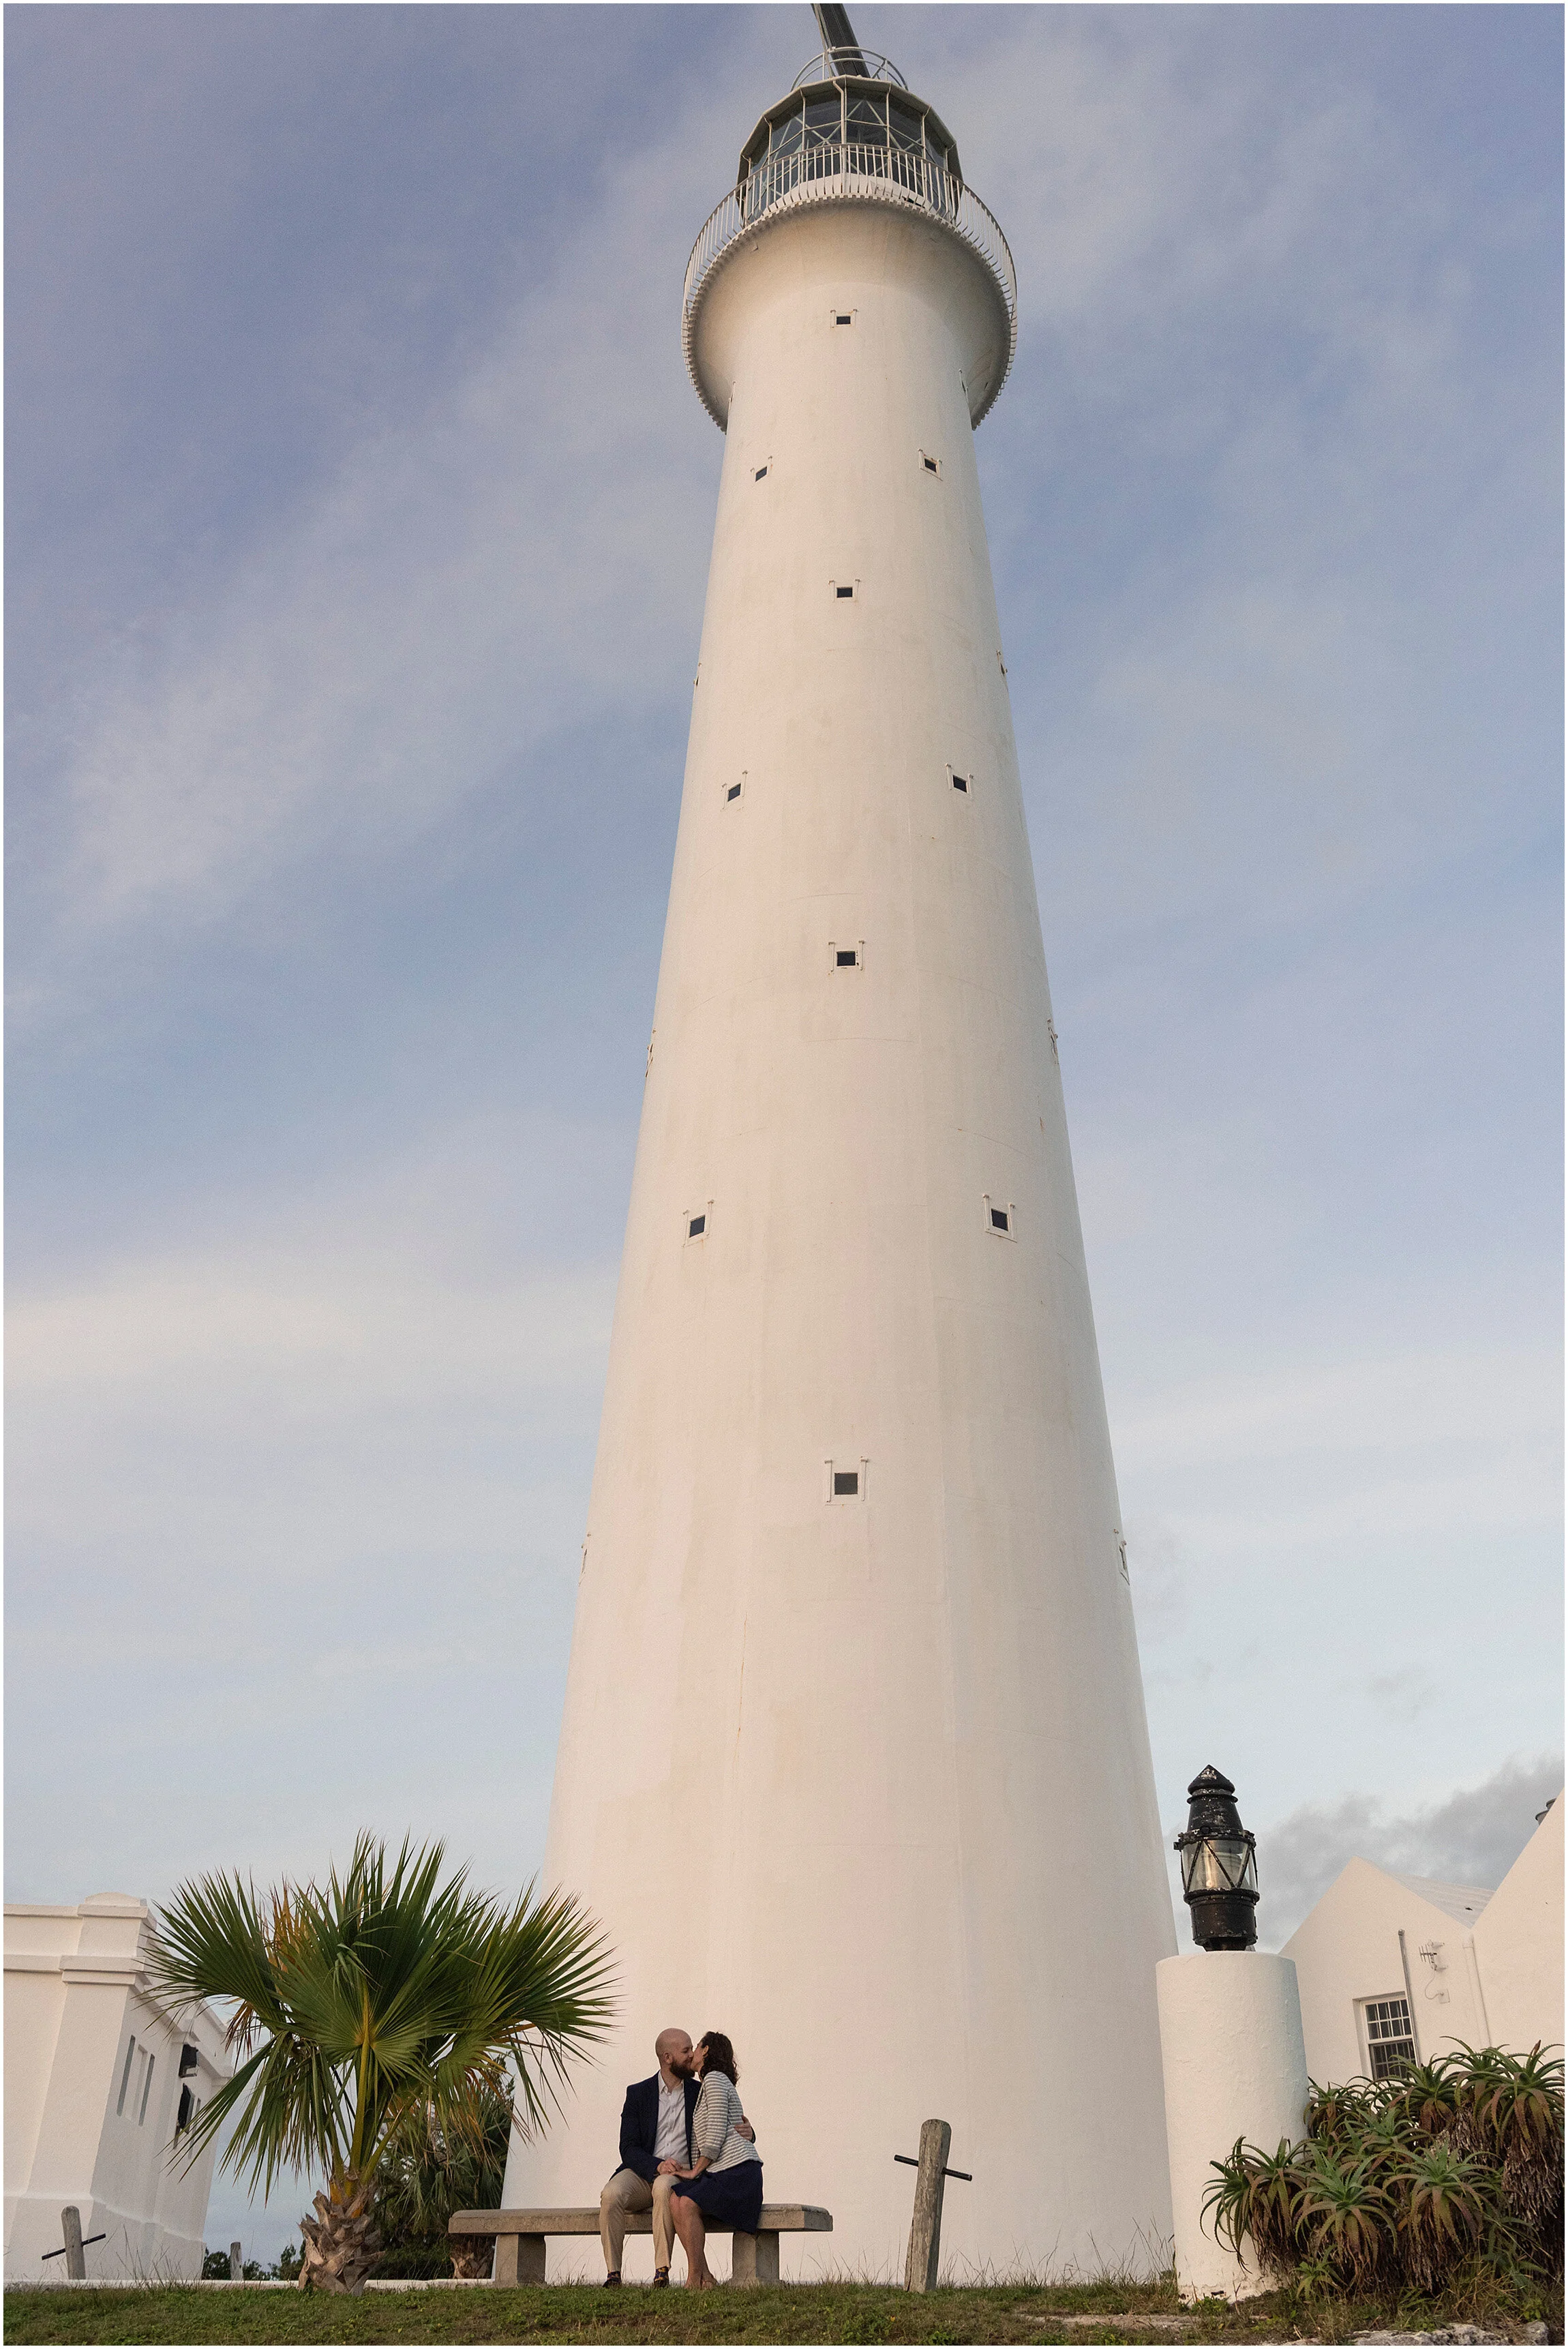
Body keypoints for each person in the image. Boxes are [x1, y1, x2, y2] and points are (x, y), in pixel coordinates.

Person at [598, 2028, 755, 2286]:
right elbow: (628, 2147)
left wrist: (750, 2132)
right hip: (643, 2171)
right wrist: (657, 2165)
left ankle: (662, 2271)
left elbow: (723, 2122)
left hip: (680, 2175)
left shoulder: (700, 2090)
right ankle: (613, 2274)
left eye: (693, 2048)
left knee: (663, 2187)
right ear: (668, 2058)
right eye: (685, 2050)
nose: (692, 2054)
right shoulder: (638, 2093)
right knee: (611, 2194)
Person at [669, 2031, 764, 2291]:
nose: (693, 2052)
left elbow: (715, 2134)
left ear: (707, 2050)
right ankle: (706, 2276)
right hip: (723, 2172)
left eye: (697, 2046)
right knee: (676, 2200)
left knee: (686, 2202)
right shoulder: (712, 2083)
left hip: (738, 2173)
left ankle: (693, 2279)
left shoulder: (714, 2079)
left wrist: (694, 2172)